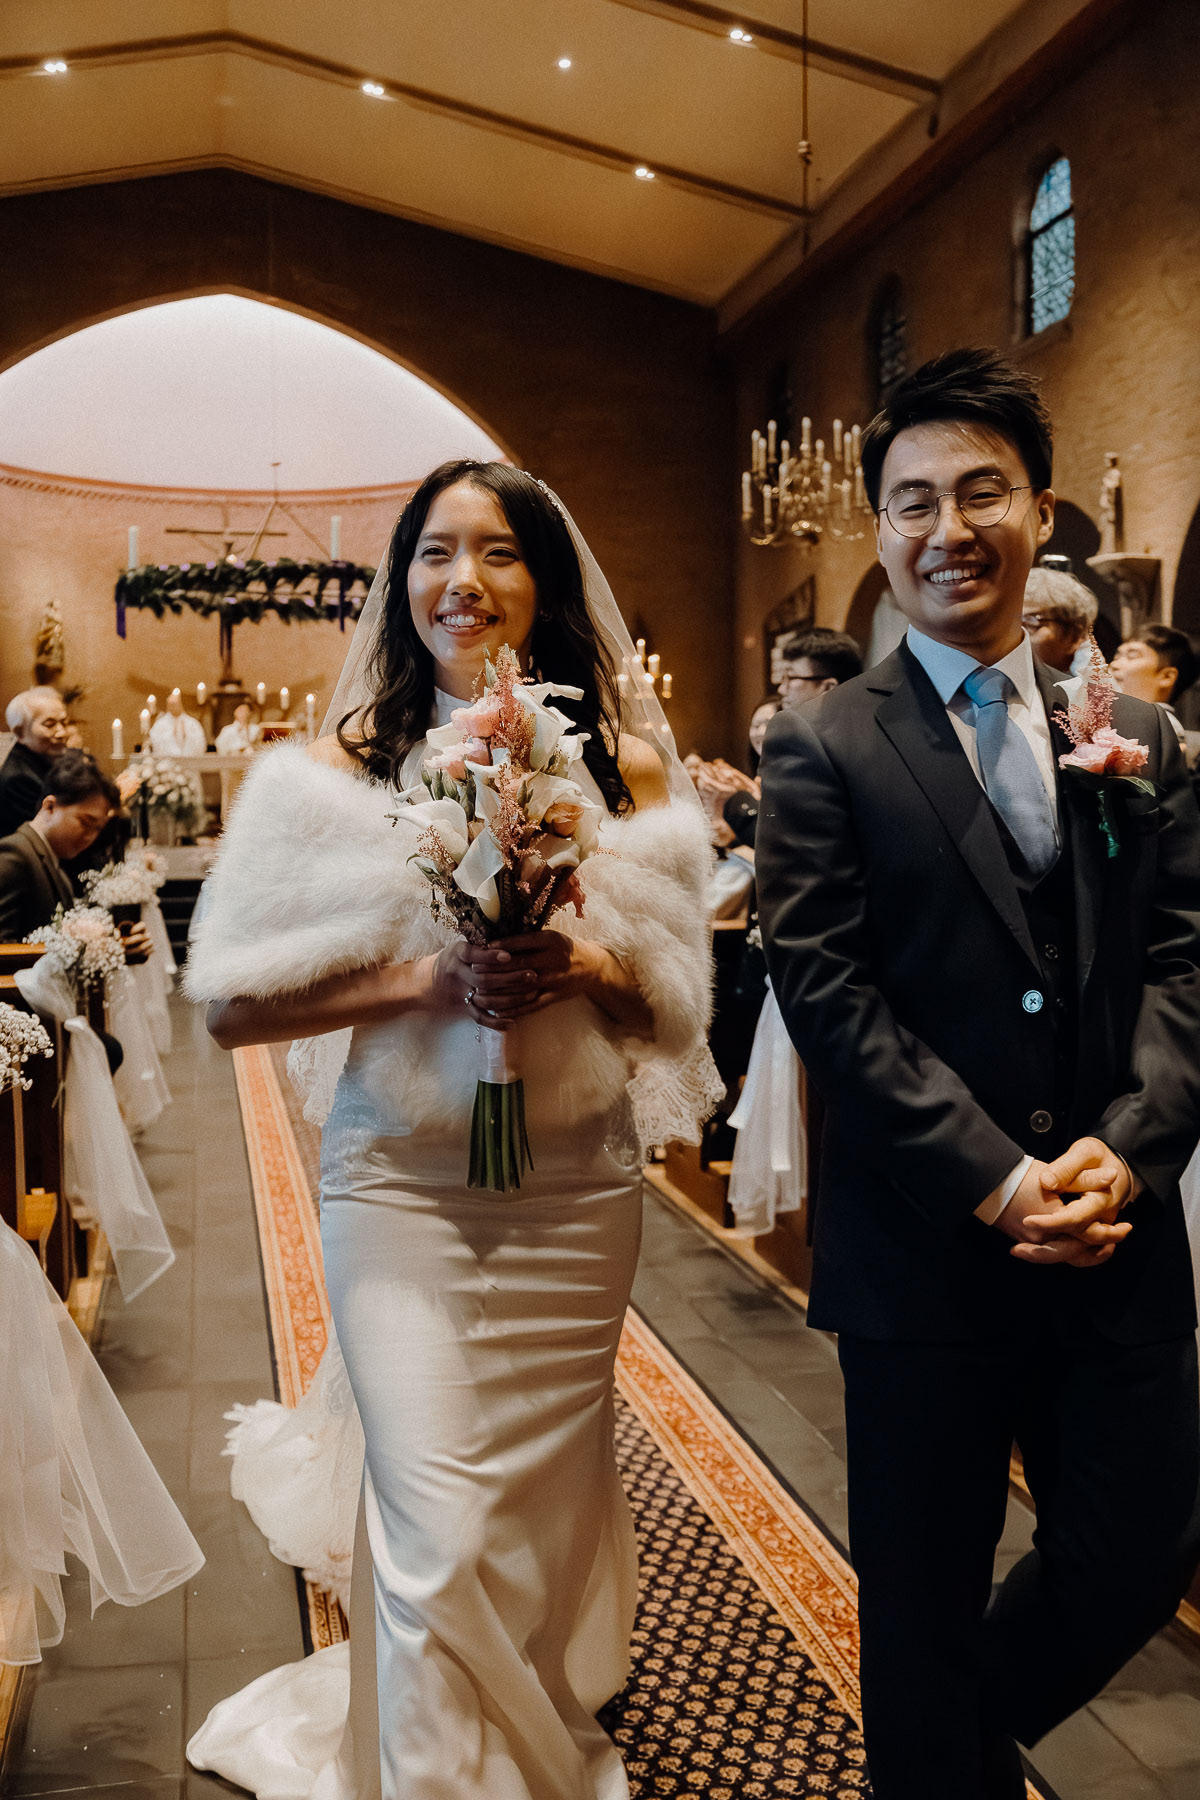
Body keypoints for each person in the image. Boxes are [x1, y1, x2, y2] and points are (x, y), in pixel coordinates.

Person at [182, 461, 721, 1799]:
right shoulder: (332, 774)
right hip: (406, 1191)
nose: (462, 581)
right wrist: (426, 979)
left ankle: (513, 1713)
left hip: (575, 1197)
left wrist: (588, 966)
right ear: (401, 580)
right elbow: (231, 1007)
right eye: (435, 552)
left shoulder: (624, 766)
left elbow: (679, 1011)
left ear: (544, 580)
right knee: (435, 1513)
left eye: (496, 553)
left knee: (530, 1508)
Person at [756, 347, 1200, 1800]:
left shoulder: (1133, 736)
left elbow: (1190, 966)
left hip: (1116, 1233)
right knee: (923, 1594)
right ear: (877, 531)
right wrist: (997, 1180)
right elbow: (828, 989)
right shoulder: (823, 747)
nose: (950, 528)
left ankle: (948, 1739)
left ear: (1043, 510)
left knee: (1136, 1556)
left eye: (983, 492)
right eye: (915, 501)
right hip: (928, 1252)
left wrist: (1129, 1147)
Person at [0, 750, 120, 941]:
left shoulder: (56, 865)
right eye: (85, 822)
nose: (90, 836)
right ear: (50, 806)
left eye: (98, 828)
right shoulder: (15, 854)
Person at [1111, 621, 1200, 765]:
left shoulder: (1162, 726)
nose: (1114, 665)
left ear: (1166, 676)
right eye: (1117, 657)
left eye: (1132, 656)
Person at [0, 687, 69, 837]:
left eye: (64, 723)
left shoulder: (46, 761)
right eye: (50, 725)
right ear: (20, 732)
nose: (62, 732)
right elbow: (50, 838)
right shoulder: (19, 779)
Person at [1020, 564, 1098, 675]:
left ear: (1074, 637)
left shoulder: (1092, 689)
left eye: (1032, 622)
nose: (1018, 634)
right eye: (1012, 623)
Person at [149, 690, 207, 757]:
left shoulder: (192, 723)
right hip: (167, 761)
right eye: (170, 705)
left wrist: (187, 738)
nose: (172, 707)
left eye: (174, 704)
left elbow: (200, 741)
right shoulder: (160, 724)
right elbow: (155, 741)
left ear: (180, 704)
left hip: (188, 760)